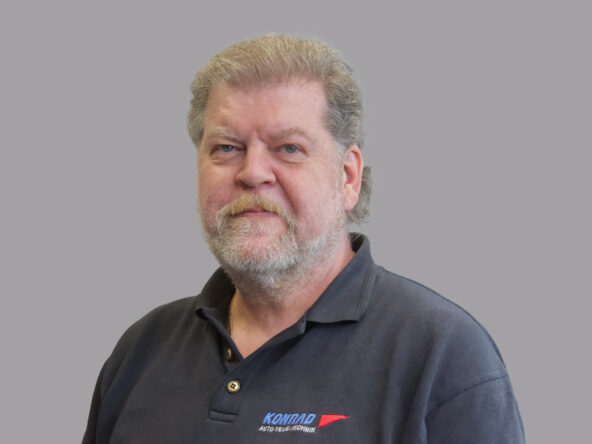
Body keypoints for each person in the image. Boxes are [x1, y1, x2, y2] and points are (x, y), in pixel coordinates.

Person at [82, 34, 525, 443]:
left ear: (348, 177)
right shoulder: (141, 351)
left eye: (289, 148)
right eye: (226, 148)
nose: (253, 173)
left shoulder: (444, 356)